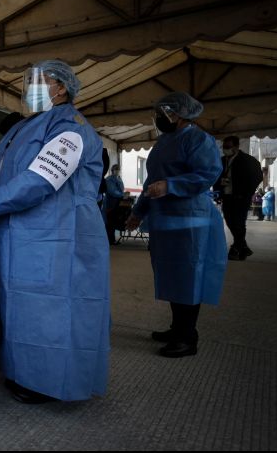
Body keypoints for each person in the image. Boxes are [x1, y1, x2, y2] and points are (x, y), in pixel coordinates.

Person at [0, 60, 110, 403]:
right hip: (21, 234)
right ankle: (22, 371)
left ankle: (49, 382)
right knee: (18, 305)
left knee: (54, 307)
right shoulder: (22, 129)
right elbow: (0, 177)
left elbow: (43, 177)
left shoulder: (70, 127)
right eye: (27, 81)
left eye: (38, 81)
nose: (28, 87)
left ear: (60, 88)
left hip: (60, 235)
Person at [126, 92, 227, 358]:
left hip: (189, 218)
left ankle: (187, 337)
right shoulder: (163, 143)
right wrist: (138, 212)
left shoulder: (197, 139)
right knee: (170, 274)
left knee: (189, 273)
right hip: (164, 218)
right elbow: (151, 182)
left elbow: (207, 173)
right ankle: (177, 327)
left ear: (179, 113)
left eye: (163, 112)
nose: (159, 118)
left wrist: (171, 185)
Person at [213, 135, 263, 260]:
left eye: (228, 147)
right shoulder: (221, 160)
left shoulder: (248, 160)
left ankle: (236, 248)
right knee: (230, 221)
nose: (225, 149)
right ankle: (243, 247)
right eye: (224, 147)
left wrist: (246, 192)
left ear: (236, 147)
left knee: (239, 223)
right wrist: (219, 188)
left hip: (241, 198)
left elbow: (258, 177)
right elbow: (215, 177)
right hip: (227, 196)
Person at [104, 164, 125, 244]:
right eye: (116, 169)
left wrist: (123, 194)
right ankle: (110, 240)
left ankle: (112, 239)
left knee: (113, 221)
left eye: (118, 169)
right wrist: (122, 195)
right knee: (110, 222)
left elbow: (121, 189)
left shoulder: (119, 178)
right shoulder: (109, 179)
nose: (117, 171)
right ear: (112, 170)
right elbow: (112, 191)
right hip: (110, 203)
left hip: (116, 203)